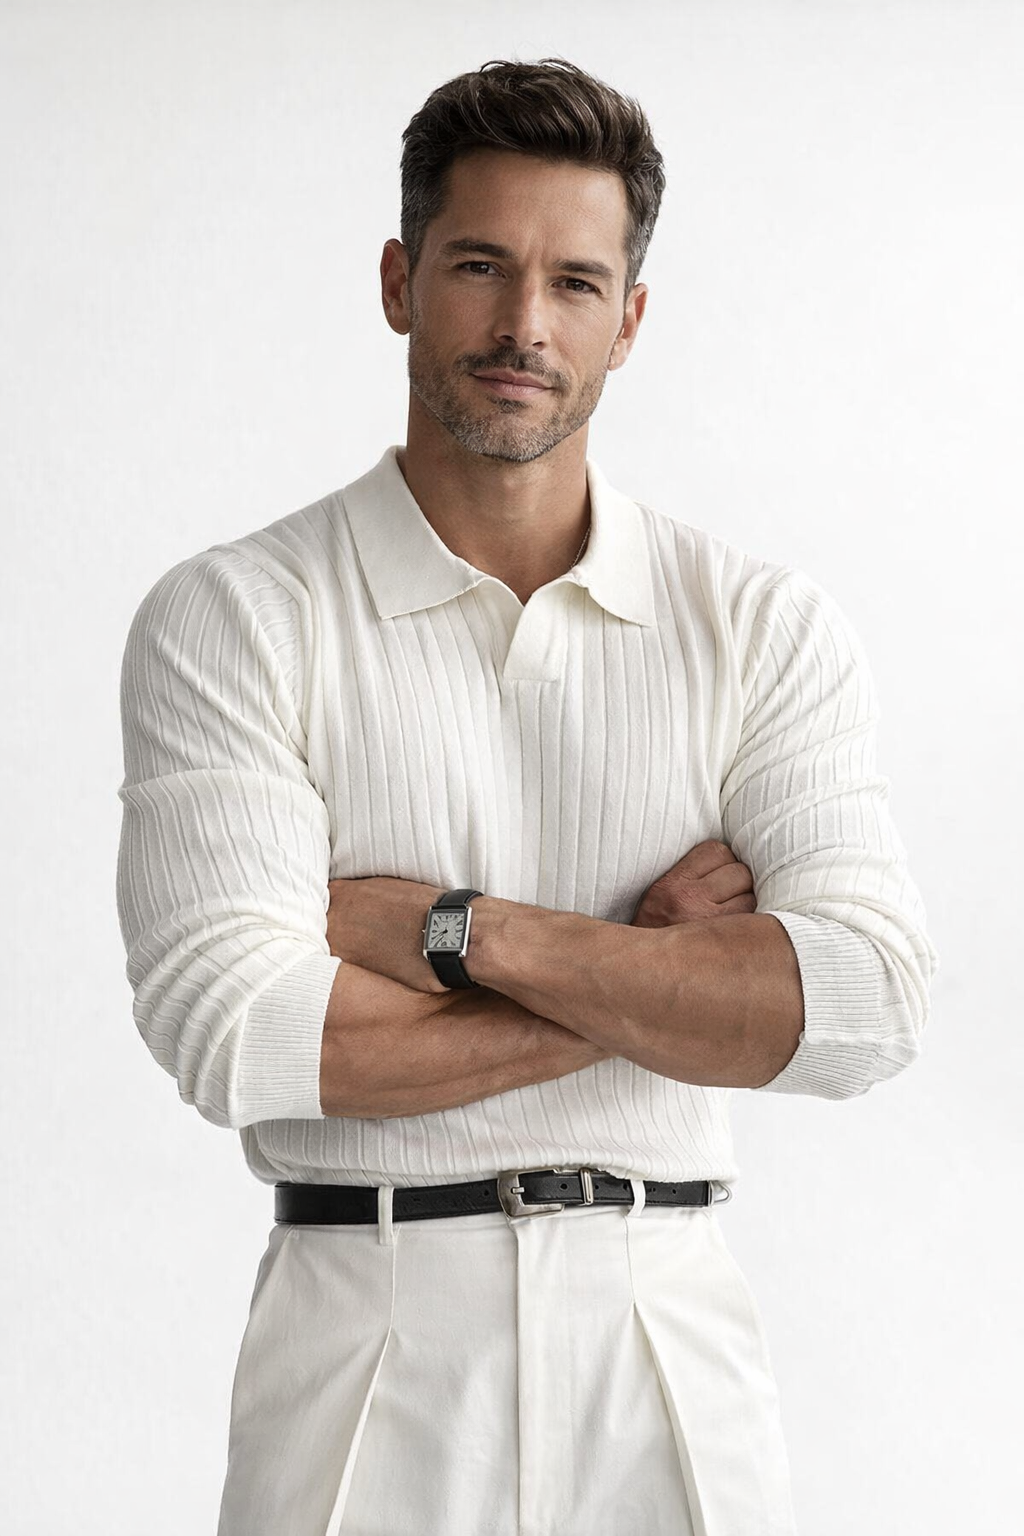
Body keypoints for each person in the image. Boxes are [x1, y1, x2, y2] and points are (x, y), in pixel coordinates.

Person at [115, 56, 939, 1536]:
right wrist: (662, 971)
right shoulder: (239, 615)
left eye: (574, 282)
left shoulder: (760, 627)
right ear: (399, 282)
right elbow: (236, 1032)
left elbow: (866, 1005)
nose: (523, 327)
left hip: (666, 1341)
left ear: (630, 320)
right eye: (480, 266)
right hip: (365, 1337)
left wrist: (460, 933)